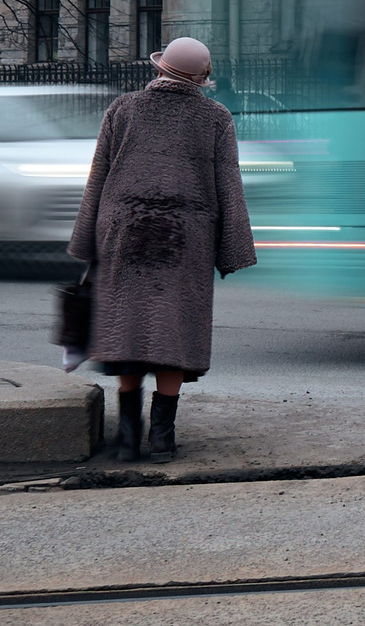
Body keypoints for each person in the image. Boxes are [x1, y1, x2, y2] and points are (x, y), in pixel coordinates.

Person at [68, 36, 258, 461]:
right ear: (201, 77)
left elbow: (98, 176)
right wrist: (233, 250)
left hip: (124, 232)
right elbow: (229, 185)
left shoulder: (123, 108)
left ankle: (126, 439)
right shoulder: (216, 118)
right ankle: (161, 438)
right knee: (174, 330)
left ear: (160, 68)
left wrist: (86, 241)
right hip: (185, 237)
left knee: (128, 330)